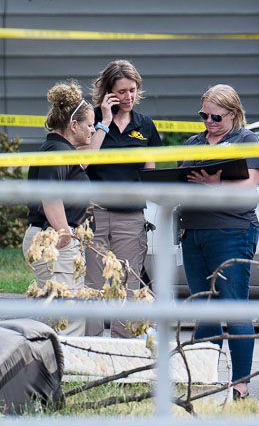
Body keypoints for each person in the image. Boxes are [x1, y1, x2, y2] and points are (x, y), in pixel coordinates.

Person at [179, 84, 259, 400]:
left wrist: (215, 183)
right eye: (204, 115)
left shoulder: (247, 140)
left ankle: (240, 384)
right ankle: (203, 380)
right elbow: (181, 180)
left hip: (232, 231)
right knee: (205, 308)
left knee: (233, 306)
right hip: (194, 232)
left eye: (216, 117)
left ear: (234, 113)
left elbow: (249, 185)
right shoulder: (193, 143)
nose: (209, 122)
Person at [85, 60, 161, 337]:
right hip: (93, 214)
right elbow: (83, 161)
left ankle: (123, 349)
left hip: (130, 217)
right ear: (108, 92)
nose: (128, 97)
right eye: (122, 91)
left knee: (128, 286)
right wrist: (104, 122)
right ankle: (89, 347)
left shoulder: (145, 125)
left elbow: (150, 172)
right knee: (93, 286)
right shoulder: (90, 119)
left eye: (133, 90)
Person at [23, 81, 97, 336]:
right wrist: (64, 232)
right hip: (55, 238)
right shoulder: (58, 152)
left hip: (49, 237)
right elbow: (50, 195)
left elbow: (89, 152)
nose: (93, 129)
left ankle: (49, 360)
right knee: (68, 319)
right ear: (73, 125)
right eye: (90, 125)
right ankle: (66, 362)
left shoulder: (59, 149)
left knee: (52, 315)